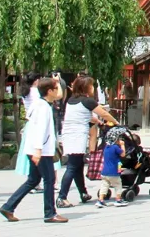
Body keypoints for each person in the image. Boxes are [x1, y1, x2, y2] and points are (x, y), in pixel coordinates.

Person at [0, 77, 65, 223]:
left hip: (34, 148)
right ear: (49, 91)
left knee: (33, 180)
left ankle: (8, 206)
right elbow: (40, 129)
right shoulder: (43, 107)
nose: (57, 91)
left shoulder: (39, 104)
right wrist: (38, 150)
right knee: (49, 179)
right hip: (40, 150)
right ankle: (50, 213)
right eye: (56, 88)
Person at [57, 75, 117, 208]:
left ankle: (83, 193)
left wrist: (98, 122)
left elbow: (85, 117)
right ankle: (62, 197)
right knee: (72, 167)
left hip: (68, 134)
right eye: (91, 85)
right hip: (77, 136)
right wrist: (116, 123)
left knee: (77, 165)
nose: (92, 88)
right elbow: (104, 114)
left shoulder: (71, 100)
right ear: (86, 87)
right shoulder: (88, 101)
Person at [96, 130, 129, 208]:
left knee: (104, 185)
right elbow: (123, 154)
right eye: (118, 139)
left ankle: (100, 200)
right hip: (113, 172)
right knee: (118, 185)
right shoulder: (115, 147)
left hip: (104, 172)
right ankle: (118, 200)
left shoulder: (106, 147)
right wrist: (122, 145)